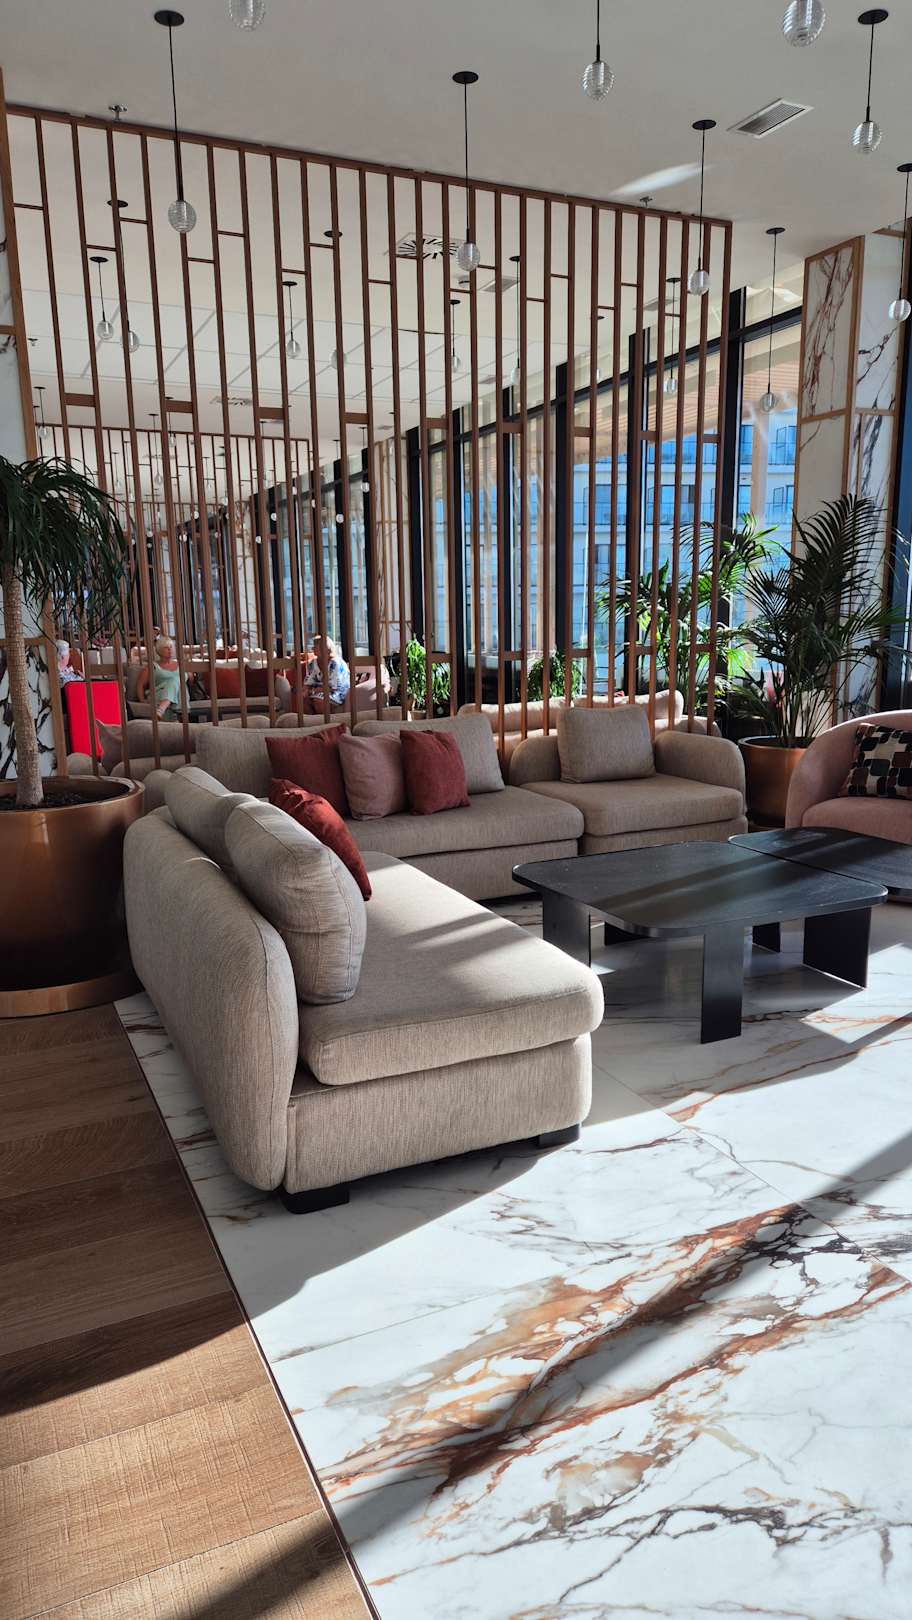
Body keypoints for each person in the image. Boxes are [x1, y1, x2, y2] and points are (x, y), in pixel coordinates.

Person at [135, 635, 187, 719]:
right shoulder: (152, 666)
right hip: (159, 694)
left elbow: (190, 681)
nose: (170, 649)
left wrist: (191, 674)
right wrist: (142, 701)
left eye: (171, 647)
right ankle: (180, 719)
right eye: (166, 648)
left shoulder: (180, 664)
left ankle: (161, 710)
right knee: (176, 680)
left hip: (180, 694)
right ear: (159, 650)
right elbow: (140, 685)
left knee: (179, 685)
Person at [301, 634, 350, 713]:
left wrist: (312, 691)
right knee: (303, 699)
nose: (312, 648)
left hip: (337, 692)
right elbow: (310, 680)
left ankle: (325, 720)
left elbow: (333, 687)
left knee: (318, 701)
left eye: (315, 646)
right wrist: (305, 689)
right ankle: (312, 720)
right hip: (319, 690)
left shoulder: (335, 663)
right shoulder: (313, 662)